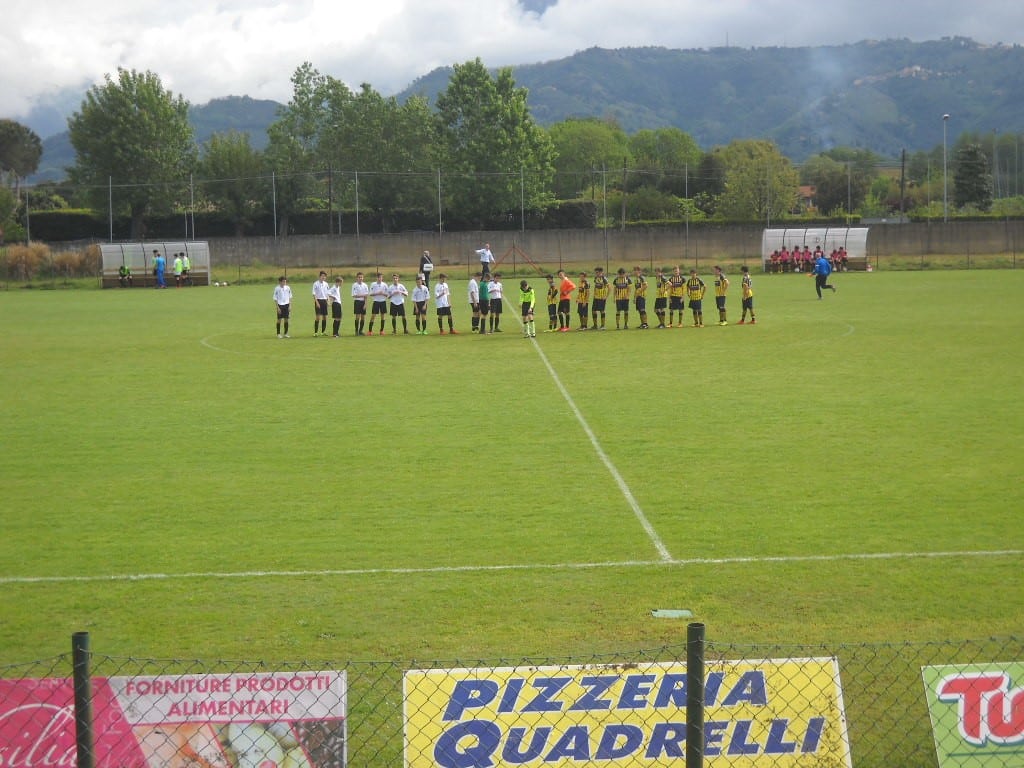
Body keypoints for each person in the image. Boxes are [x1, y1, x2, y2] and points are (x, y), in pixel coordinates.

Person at [312, 271, 330, 336]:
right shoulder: (315, 284)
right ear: (319, 276)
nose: (323, 277)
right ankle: (315, 332)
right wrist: (317, 302)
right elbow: (314, 294)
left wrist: (328, 301)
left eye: (325, 276)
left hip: (324, 301)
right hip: (318, 301)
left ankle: (323, 332)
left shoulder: (326, 284)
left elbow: (327, 293)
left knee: (325, 317)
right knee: (318, 317)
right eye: (322, 276)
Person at [351, 271, 369, 335]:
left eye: (361, 277)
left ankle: (361, 331)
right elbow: (354, 295)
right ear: (357, 278)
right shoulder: (354, 285)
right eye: (359, 277)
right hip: (357, 302)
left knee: (363, 317)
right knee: (357, 317)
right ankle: (356, 331)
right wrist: (363, 295)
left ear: (363, 278)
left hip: (363, 302)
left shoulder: (365, 285)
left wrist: (365, 303)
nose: (360, 278)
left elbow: (366, 296)